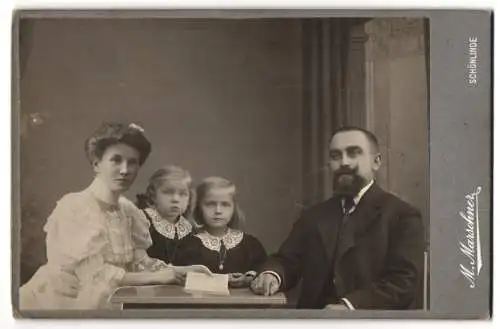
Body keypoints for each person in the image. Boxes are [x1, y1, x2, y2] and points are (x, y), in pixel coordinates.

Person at [19, 122, 209, 310]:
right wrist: (159, 277)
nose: (125, 170)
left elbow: (140, 263)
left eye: (132, 162)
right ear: (96, 164)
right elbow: (95, 276)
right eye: (116, 160)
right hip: (63, 304)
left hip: (110, 301)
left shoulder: (128, 211)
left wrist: (182, 270)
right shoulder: (75, 208)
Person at [250, 126, 425, 310]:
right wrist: (272, 274)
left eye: (353, 153)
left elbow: (404, 283)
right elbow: (286, 260)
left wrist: (349, 306)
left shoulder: (402, 216)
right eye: (335, 156)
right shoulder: (314, 216)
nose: (344, 162)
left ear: (376, 161)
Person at [176, 177, 267, 287]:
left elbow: (263, 271)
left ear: (234, 208)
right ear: (199, 207)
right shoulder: (188, 244)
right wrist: (222, 280)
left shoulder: (250, 245)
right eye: (210, 204)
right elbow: (180, 278)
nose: (218, 211)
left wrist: (248, 278)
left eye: (225, 204)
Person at [136, 165, 196, 266]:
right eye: (168, 192)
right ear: (154, 195)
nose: (176, 199)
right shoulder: (143, 220)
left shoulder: (190, 228)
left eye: (183, 194)